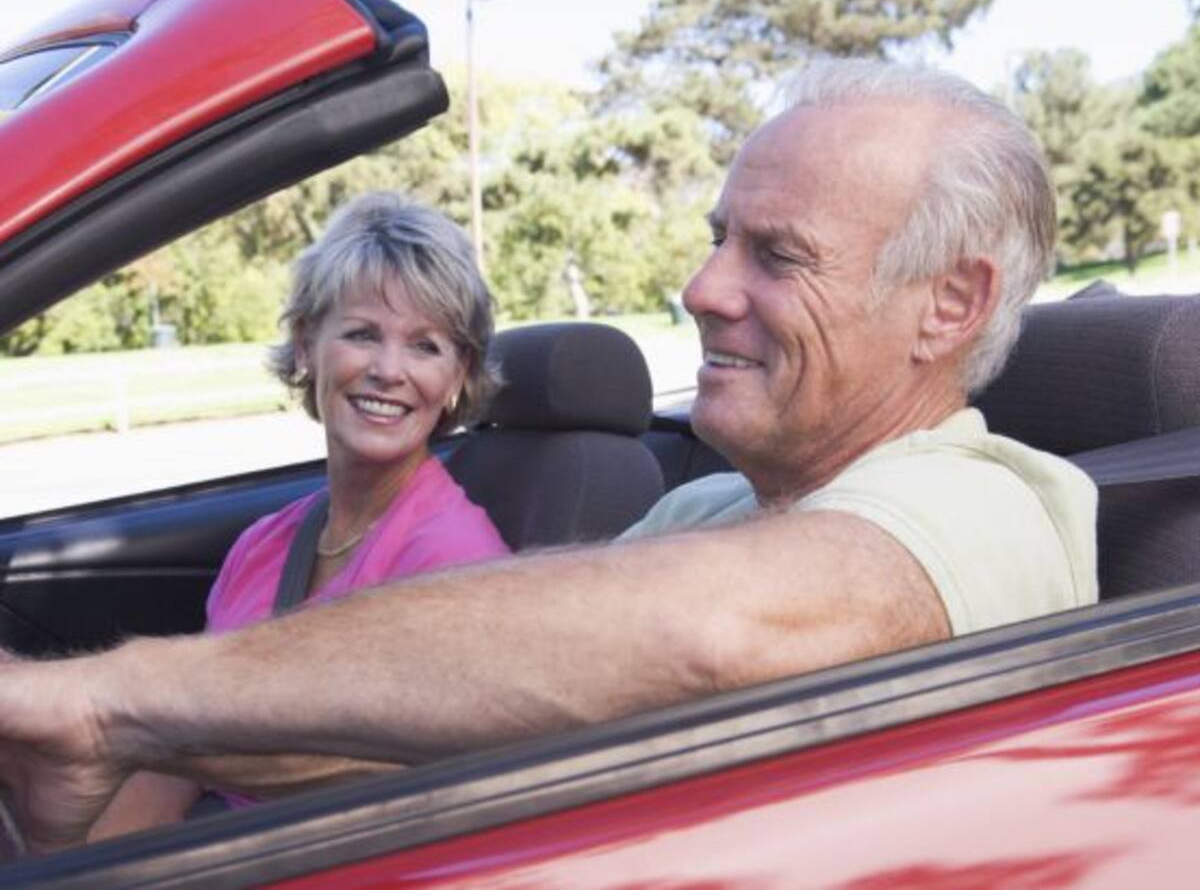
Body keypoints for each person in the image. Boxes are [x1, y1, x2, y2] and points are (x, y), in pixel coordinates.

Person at [0, 58, 1097, 855]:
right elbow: (441, 743)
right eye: (720, 237)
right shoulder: (709, 510)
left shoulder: (991, 502)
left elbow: (713, 633)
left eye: (777, 254)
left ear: (948, 304)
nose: (703, 287)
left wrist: (113, 698)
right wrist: (143, 740)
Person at [85, 192, 511, 840]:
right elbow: (177, 755)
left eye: (425, 346)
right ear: (308, 346)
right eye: (362, 333)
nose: (388, 370)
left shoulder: (456, 561)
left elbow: (420, 809)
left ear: (458, 378)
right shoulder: (265, 544)